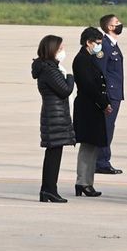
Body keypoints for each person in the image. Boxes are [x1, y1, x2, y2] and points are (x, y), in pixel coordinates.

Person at [32, 35, 74, 203]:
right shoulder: (50, 69)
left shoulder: (48, 68)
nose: (63, 51)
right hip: (54, 116)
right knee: (53, 155)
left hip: (54, 114)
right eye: (60, 48)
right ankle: (49, 189)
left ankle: (48, 189)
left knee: (53, 155)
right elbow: (65, 90)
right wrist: (70, 77)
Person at [71, 27, 110, 198]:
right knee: (87, 146)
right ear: (88, 42)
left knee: (93, 146)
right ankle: (82, 182)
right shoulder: (81, 60)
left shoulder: (89, 58)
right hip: (88, 107)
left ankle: (87, 182)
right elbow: (88, 85)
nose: (99, 46)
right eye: (98, 43)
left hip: (93, 106)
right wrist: (103, 103)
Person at [94, 14, 126, 175]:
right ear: (109, 27)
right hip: (110, 94)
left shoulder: (113, 45)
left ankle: (102, 160)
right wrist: (104, 96)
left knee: (109, 127)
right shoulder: (104, 45)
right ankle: (102, 162)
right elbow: (101, 71)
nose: (120, 24)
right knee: (106, 127)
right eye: (116, 23)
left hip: (116, 93)